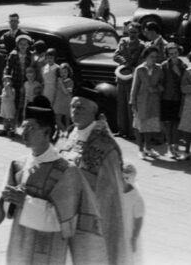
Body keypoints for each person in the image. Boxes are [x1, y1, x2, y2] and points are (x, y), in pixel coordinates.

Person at [0, 97, 106, 265]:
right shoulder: (17, 165)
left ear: (47, 133)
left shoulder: (66, 171)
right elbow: (7, 210)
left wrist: (25, 202)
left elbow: (64, 221)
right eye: (23, 127)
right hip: (19, 242)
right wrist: (8, 200)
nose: (24, 133)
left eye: (31, 128)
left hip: (48, 248)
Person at [58, 96, 126, 263]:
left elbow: (112, 192)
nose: (75, 111)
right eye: (73, 106)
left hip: (94, 216)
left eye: (80, 107)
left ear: (93, 112)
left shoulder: (106, 145)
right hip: (67, 211)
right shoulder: (71, 133)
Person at [130, 45, 163, 157]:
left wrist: (156, 89)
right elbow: (134, 88)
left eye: (155, 57)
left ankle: (148, 148)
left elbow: (162, 85)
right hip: (141, 102)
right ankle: (140, 149)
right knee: (139, 126)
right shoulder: (139, 70)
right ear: (146, 57)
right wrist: (133, 102)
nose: (154, 59)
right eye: (151, 56)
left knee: (150, 126)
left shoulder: (159, 69)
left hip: (153, 102)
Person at [160, 42, 185, 158]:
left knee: (176, 123)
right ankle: (170, 146)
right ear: (167, 55)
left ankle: (176, 146)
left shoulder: (183, 66)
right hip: (166, 98)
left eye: (175, 53)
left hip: (178, 98)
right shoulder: (164, 66)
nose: (173, 55)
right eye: (170, 54)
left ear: (178, 53)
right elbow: (160, 81)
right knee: (168, 124)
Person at [120, 163, 144, 265]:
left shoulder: (136, 197)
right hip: (117, 231)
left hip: (129, 233)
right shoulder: (116, 192)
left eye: (124, 178)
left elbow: (138, 219)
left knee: (129, 259)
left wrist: (134, 238)